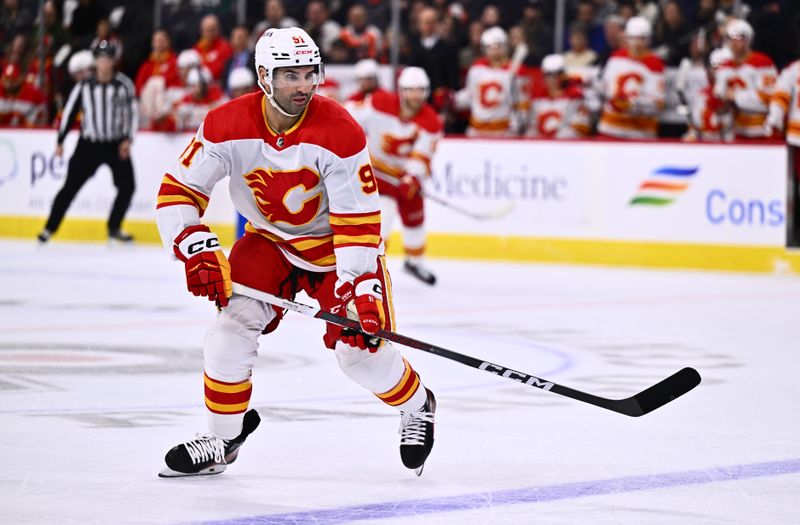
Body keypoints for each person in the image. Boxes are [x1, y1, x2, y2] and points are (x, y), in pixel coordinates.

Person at [155, 28, 436, 478]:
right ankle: (224, 439)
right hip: (270, 244)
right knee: (227, 334)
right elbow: (177, 192)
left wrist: (360, 284)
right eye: (291, 75)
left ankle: (418, 404)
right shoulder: (227, 124)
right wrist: (193, 244)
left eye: (310, 73)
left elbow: (359, 219)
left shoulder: (340, 130)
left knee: (359, 354)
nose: (305, 85)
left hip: (334, 251)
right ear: (265, 76)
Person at [345, 67, 443, 286]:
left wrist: (412, 177)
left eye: (420, 91)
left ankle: (415, 262)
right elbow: (349, 115)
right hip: (375, 171)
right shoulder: (380, 103)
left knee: (415, 215)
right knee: (384, 216)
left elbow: (422, 156)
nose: (415, 96)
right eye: (410, 90)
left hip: (403, 177)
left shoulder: (431, 122)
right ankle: (370, 266)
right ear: (401, 90)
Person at [37, 40, 137, 244]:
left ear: (113, 61)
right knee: (70, 187)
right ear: (96, 62)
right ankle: (49, 228)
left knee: (128, 185)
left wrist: (128, 139)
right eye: (101, 59)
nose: (104, 63)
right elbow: (70, 113)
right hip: (88, 145)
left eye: (108, 59)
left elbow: (132, 114)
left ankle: (114, 227)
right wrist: (60, 141)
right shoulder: (84, 86)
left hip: (115, 144)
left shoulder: (123, 84)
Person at [455, 27, 531, 137]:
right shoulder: (477, 68)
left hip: (502, 132)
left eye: (497, 46)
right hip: (476, 130)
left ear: (505, 46)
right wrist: (452, 99)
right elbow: (470, 95)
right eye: (489, 47)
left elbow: (521, 105)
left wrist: (514, 130)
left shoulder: (516, 72)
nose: (493, 51)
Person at [597, 17, 665, 140]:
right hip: (610, 128)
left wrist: (631, 105)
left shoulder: (654, 63)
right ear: (626, 38)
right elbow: (604, 87)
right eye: (632, 38)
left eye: (641, 38)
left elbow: (657, 104)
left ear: (648, 40)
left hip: (640, 133)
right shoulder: (616, 57)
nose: (636, 43)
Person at [713, 19, 777, 140]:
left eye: (739, 37)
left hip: (761, 130)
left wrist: (736, 96)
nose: (734, 42)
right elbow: (718, 99)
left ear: (748, 39)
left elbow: (769, 99)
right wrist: (722, 101)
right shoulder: (724, 66)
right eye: (730, 38)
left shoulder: (762, 62)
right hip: (736, 131)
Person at [527, 54, 591, 139]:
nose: (551, 78)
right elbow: (532, 127)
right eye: (547, 74)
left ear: (563, 75)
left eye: (555, 74)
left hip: (566, 148)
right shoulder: (538, 100)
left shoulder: (575, 98)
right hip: (541, 147)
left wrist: (557, 142)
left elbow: (580, 128)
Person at [0, 62, 46, 127]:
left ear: (21, 78)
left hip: (24, 134)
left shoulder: (34, 94)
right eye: (6, 79)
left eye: (13, 79)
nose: (9, 83)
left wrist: (22, 119)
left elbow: (41, 124)